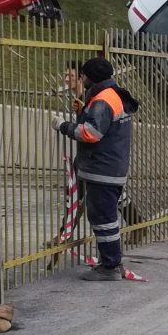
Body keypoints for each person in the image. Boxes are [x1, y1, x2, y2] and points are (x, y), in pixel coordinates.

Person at [54, 56, 138, 281]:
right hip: (112, 166)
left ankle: (110, 267)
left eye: (81, 75)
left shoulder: (102, 100)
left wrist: (63, 126)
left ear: (88, 77)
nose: (81, 78)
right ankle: (110, 262)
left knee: (103, 218)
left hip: (102, 168)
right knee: (107, 217)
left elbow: (91, 133)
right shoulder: (114, 95)